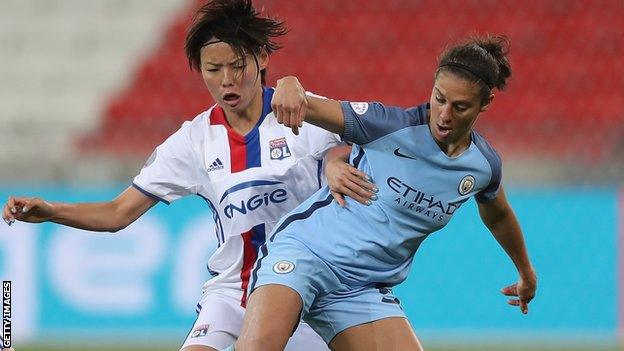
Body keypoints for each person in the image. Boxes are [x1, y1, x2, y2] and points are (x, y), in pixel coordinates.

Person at [1, 1, 377, 350]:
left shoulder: (299, 111)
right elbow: (117, 214)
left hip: (308, 288)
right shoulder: (192, 141)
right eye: (213, 70)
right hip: (234, 291)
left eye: (237, 65)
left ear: (262, 58)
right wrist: (51, 211)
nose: (227, 80)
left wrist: (329, 150)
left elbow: (369, 139)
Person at [230, 35, 538, 351]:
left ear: (485, 103)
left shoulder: (482, 166)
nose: (444, 115)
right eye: (439, 98)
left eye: (460, 107)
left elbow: (498, 215)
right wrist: (289, 84)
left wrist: (525, 271)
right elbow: (305, 106)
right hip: (305, 253)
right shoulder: (388, 125)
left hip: (362, 288)